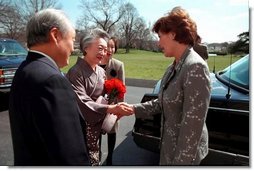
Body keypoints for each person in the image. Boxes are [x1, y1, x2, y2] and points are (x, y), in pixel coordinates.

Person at [129, 6, 211, 165]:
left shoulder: (195, 68)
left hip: (183, 157)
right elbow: (162, 103)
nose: (158, 42)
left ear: (173, 34)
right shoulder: (173, 67)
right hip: (169, 148)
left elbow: (193, 128)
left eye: (160, 36)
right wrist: (132, 109)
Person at [8, 8, 90, 165]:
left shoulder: (25, 69)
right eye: (72, 40)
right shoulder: (52, 80)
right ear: (55, 35)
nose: (73, 48)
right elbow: (70, 156)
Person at [66, 28, 132, 166]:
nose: (103, 53)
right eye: (100, 48)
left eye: (105, 49)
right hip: (81, 129)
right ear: (86, 47)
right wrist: (110, 107)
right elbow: (82, 102)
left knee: (95, 159)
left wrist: (113, 103)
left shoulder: (101, 71)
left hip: (96, 127)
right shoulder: (75, 72)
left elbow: (104, 95)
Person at [99, 37, 125, 166]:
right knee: (95, 132)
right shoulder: (94, 62)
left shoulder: (118, 65)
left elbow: (122, 89)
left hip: (113, 105)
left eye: (113, 46)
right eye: (107, 46)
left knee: (112, 131)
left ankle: (110, 157)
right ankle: (96, 155)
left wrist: (120, 107)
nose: (110, 49)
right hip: (97, 105)